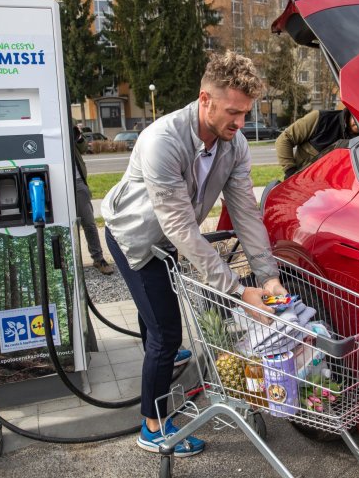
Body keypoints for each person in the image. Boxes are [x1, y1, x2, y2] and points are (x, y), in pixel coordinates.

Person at [101, 51, 287, 457]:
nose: (240, 124)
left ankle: (158, 348)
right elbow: (180, 227)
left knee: (158, 325)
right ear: (205, 100)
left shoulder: (232, 144)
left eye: (245, 113)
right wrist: (239, 291)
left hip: (169, 238)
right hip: (134, 239)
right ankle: (152, 427)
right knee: (167, 332)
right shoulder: (161, 141)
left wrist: (267, 275)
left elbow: (245, 212)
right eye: (233, 112)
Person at [72, 126, 113, 275]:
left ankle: (98, 258)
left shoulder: (68, 121)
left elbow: (82, 148)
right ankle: (68, 262)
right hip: (56, 185)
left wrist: (78, 135)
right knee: (66, 226)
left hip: (77, 182)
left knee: (88, 222)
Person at [275, 108, 359, 179]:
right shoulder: (320, 118)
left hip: (334, 192)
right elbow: (284, 139)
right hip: (302, 184)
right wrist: (291, 172)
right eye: (357, 115)